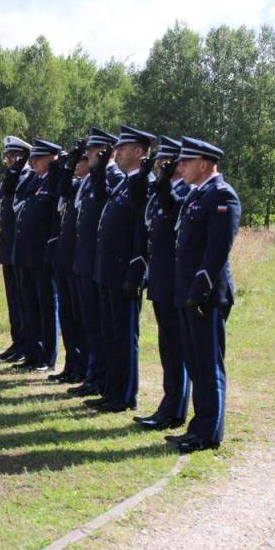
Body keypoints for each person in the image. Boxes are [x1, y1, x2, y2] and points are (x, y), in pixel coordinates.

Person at [159, 136, 241, 453]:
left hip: (206, 295)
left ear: (203, 164)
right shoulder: (196, 195)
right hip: (188, 292)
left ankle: (209, 432)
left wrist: (199, 290)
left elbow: (217, 250)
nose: (181, 166)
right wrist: (163, 183)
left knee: (208, 364)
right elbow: (172, 219)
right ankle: (198, 427)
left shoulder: (222, 195)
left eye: (186, 161)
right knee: (195, 363)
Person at [87, 126, 155, 413]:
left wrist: (135, 273)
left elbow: (143, 233)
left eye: (123, 148)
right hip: (108, 271)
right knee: (110, 334)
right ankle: (111, 390)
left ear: (139, 151)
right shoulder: (125, 183)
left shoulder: (145, 184)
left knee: (124, 337)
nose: (117, 152)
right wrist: (98, 170)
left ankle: (126, 395)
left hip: (124, 273)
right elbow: (101, 202)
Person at [133, 137, 193, 430]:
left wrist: (164, 185)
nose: (159, 167)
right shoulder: (163, 191)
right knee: (167, 347)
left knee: (176, 348)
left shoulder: (183, 193)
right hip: (160, 279)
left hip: (173, 281)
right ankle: (169, 405)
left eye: (164, 162)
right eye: (159, 163)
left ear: (178, 165)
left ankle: (174, 409)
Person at [74, 128, 123, 399]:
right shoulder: (94, 178)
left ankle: (101, 378)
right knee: (91, 325)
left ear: (106, 152)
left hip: (99, 264)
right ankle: (93, 376)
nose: (90, 155)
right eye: (90, 151)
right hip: (87, 262)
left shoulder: (114, 177)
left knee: (102, 328)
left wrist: (100, 170)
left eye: (94, 151)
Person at [11, 139, 62, 371]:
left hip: (42, 255)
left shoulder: (54, 182)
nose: (34, 162)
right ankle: (32, 353)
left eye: (39, 158)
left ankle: (47, 356)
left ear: (52, 159)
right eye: (33, 158)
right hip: (27, 254)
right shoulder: (35, 180)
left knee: (46, 307)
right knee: (29, 305)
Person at [0, 136, 32, 362]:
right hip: (8, 245)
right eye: (8, 156)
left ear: (24, 157)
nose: (10, 160)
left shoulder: (28, 177)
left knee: (24, 300)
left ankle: (26, 344)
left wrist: (14, 172)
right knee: (13, 299)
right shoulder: (12, 177)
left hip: (20, 246)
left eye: (14, 156)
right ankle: (17, 341)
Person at [49, 140, 87, 384]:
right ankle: (72, 365)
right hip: (66, 259)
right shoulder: (76, 185)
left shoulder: (93, 184)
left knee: (80, 319)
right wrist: (66, 165)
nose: (77, 165)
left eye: (80, 160)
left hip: (78, 260)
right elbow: (60, 189)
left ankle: (82, 368)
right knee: (68, 317)